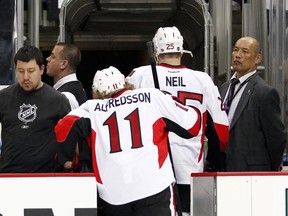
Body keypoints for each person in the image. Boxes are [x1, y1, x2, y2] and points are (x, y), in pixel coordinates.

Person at [54, 66, 201, 216]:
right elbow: (192, 125)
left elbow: (63, 128)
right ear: (125, 83)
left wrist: (69, 159)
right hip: (153, 186)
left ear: (97, 93)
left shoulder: (91, 109)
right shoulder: (151, 97)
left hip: (114, 196)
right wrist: (170, 104)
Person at [126, 26, 229, 215]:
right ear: (181, 51)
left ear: (156, 50)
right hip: (190, 167)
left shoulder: (139, 75)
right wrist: (215, 162)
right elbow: (220, 130)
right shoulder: (203, 79)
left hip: (151, 170)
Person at [0, 45, 71, 173]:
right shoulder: (3, 97)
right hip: (8, 176)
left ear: (41, 69)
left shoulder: (58, 100)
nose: (25, 77)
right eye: (20, 71)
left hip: (45, 177)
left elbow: (71, 138)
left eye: (31, 71)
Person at [220, 36, 286, 171]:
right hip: (223, 167)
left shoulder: (265, 92)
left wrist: (270, 170)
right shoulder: (225, 88)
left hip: (252, 171)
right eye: (235, 50)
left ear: (257, 59)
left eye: (245, 51)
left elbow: (276, 138)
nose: (238, 55)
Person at [46, 42, 90, 172]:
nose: (48, 59)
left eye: (53, 56)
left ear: (63, 64)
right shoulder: (75, 87)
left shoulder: (66, 95)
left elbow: (68, 136)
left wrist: (66, 164)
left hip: (69, 171)